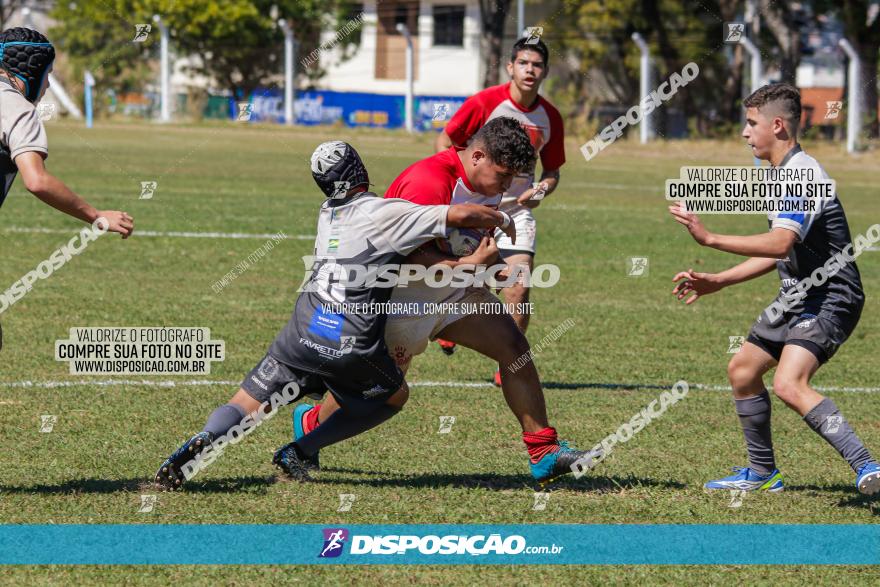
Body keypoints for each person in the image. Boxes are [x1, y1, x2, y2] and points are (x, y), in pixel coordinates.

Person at [155, 141, 513, 487]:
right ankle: (301, 448)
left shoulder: (326, 213)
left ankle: (206, 438)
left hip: (301, 332)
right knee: (393, 395)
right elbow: (462, 213)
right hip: (349, 343)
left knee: (244, 403)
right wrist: (498, 222)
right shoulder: (383, 211)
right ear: (361, 170)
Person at [292, 118, 600, 487]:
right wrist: (471, 268)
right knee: (377, 393)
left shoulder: (485, 181)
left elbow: (470, 242)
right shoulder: (429, 182)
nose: (504, 187)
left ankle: (543, 451)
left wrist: (496, 270)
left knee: (514, 346)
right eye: (502, 176)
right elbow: (403, 257)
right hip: (402, 298)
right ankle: (310, 425)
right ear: (478, 155)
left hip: (454, 290)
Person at [670, 83, 879, 495]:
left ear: (777, 125)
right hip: (798, 295)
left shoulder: (804, 175)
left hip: (831, 295)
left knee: (788, 384)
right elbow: (780, 251)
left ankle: (867, 466)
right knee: (743, 371)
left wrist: (710, 238)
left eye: (751, 124)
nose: (745, 133)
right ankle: (763, 472)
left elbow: (780, 243)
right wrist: (718, 280)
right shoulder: (775, 175)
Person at [434, 37, 565, 387]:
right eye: (523, 62)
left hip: (517, 212)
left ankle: (510, 363)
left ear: (545, 72)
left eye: (537, 65)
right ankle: (451, 326)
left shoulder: (550, 117)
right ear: (510, 67)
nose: (530, 70)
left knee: (519, 286)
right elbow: (446, 143)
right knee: (467, 278)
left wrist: (542, 190)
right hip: (474, 207)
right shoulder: (484, 103)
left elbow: (552, 173)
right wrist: (454, 189)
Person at [0, 27, 134, 348]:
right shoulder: (17, 109)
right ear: (32, 70)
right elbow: (37, 180)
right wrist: (95, 215)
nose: (47, 85)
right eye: (47, 75)